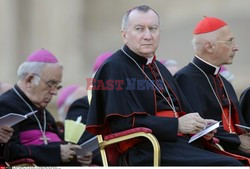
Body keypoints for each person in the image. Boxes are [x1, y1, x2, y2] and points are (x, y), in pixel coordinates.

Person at [85, 5, 242, 166]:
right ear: (125, 35)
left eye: (153, 29)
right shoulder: (113, 67)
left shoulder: (160, 69)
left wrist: (200, 128)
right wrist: (177, 125)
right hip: (146, 149)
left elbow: (180, 111)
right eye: (139, 29)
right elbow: (121, 123)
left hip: (178, 145)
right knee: (230, 165)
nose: (148, 36)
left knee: (239, 162)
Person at [175, 16, 250, 162]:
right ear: (209, 47)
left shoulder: (224, 82)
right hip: (214, 151)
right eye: (230, 41)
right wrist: (237, 140)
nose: (236, 47)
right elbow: (198, 128)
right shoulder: (185, 78)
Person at [0, 48, 92, 166]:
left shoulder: (43, 111)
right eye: (50, 84)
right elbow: (10, 153)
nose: (55, 92)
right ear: (29, 80)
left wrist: (77, 156)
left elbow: (61, 148)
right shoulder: (6, 105)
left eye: (57, 86)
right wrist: (56, 153)